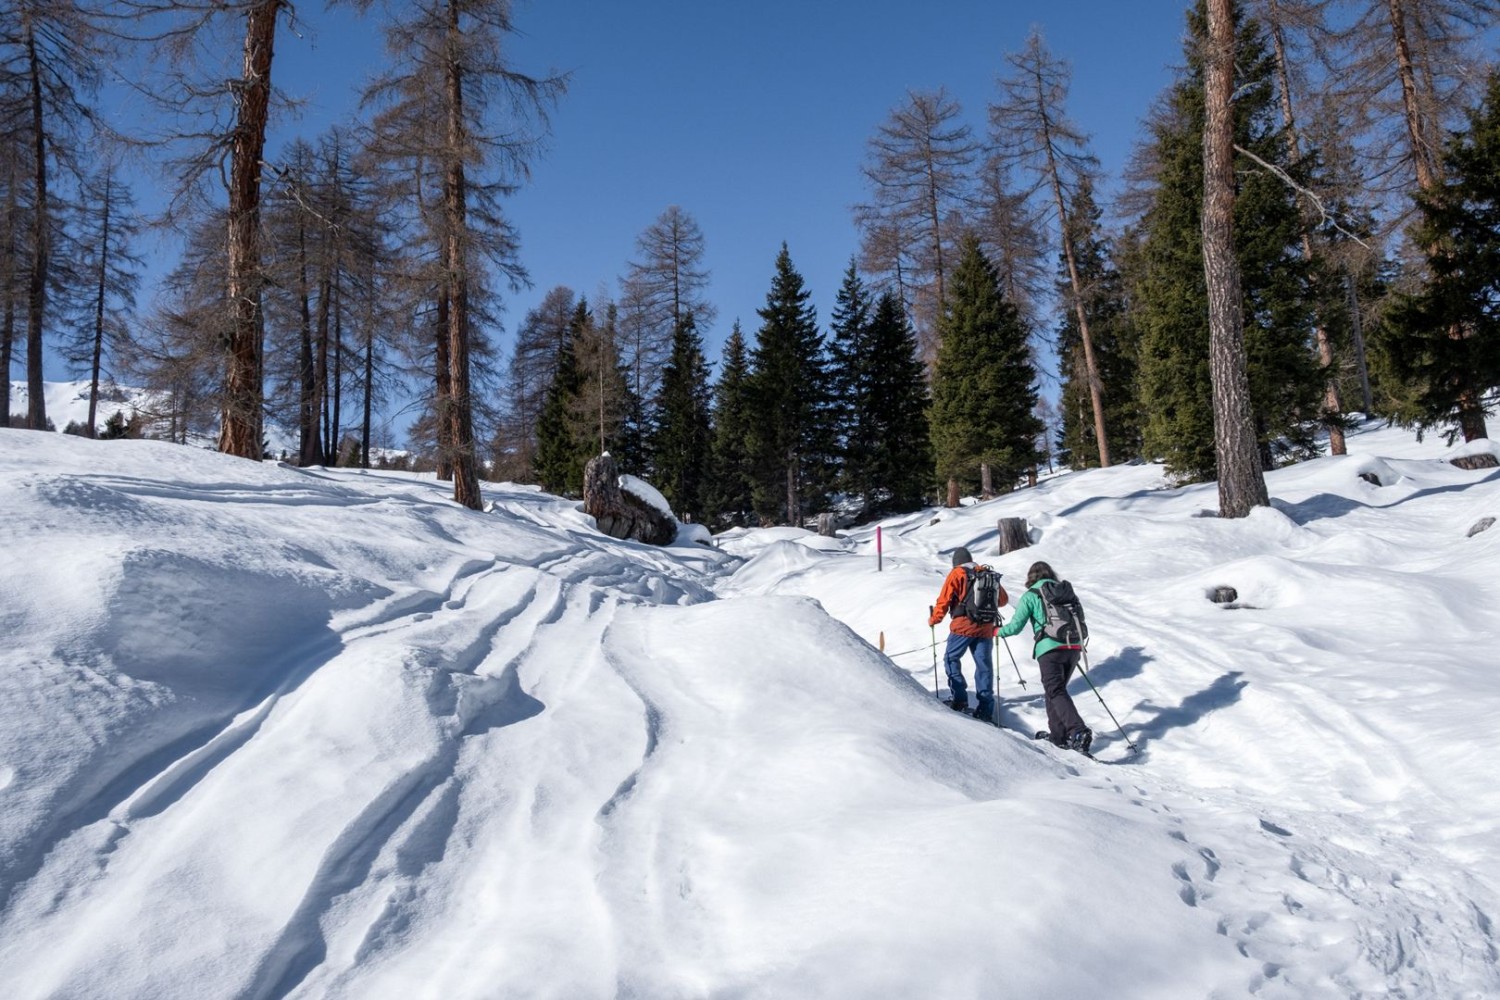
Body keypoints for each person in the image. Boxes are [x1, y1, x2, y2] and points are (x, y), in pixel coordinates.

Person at [997, 560, 1091, 753]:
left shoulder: (1031, 595)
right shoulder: (1066, 592)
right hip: (1073, 646)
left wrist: (996, 632)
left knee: (1055, 691)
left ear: (1030, 578)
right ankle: (1058, 737)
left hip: (1049, 649)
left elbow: (1015, 627)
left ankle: (1078, 731)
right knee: (1055, 691)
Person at [928, 546, 1008, 723]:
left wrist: (934, 619)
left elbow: (944, 600)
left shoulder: (957, 573)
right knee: (984, 666)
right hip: (986, 628)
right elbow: (1003, 601)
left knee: (951, 659)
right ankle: (985, 709)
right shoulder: (986, 573)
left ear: (956, 562)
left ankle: (959, 700)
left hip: (963, 627)